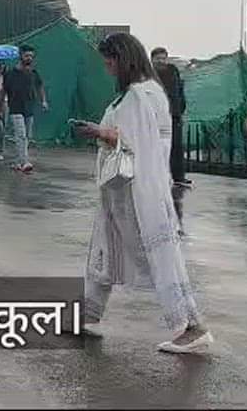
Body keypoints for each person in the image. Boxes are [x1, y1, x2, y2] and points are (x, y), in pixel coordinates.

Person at [75, 33, 213, 353]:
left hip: (136, 192)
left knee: (156, 258)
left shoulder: (139, 94)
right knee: (104, 249)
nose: (107, 65)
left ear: (124, 59)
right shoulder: (144, 93)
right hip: (122, 190)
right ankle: (88, 314)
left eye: (110, 59)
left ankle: (191, 326)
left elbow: (137, 142)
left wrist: (99, 132)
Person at [3, 45, 47, 173]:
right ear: (20, 56)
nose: (29, 58)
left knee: (26, 136)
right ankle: (24, 162)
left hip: (29, 108)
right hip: (15, 108)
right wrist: (1, 105)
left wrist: (43, 101)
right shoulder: (10, 74)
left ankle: (18, 161)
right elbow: (3, 90)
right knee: (21, 135)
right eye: (27, 55)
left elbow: (40, 86)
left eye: (31, 56)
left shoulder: (33, 73)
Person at [150, 48, 190, 189]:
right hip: (156, 117)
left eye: (163, 58)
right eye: (158, 58)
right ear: (152, 59)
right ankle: (157, 176)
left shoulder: (173, 71)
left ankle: (178, 177)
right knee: (157, 147)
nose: (161, 61)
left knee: (176, 147)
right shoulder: (149, 75)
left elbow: (180, 91)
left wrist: (180, 109)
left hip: (174, 115)